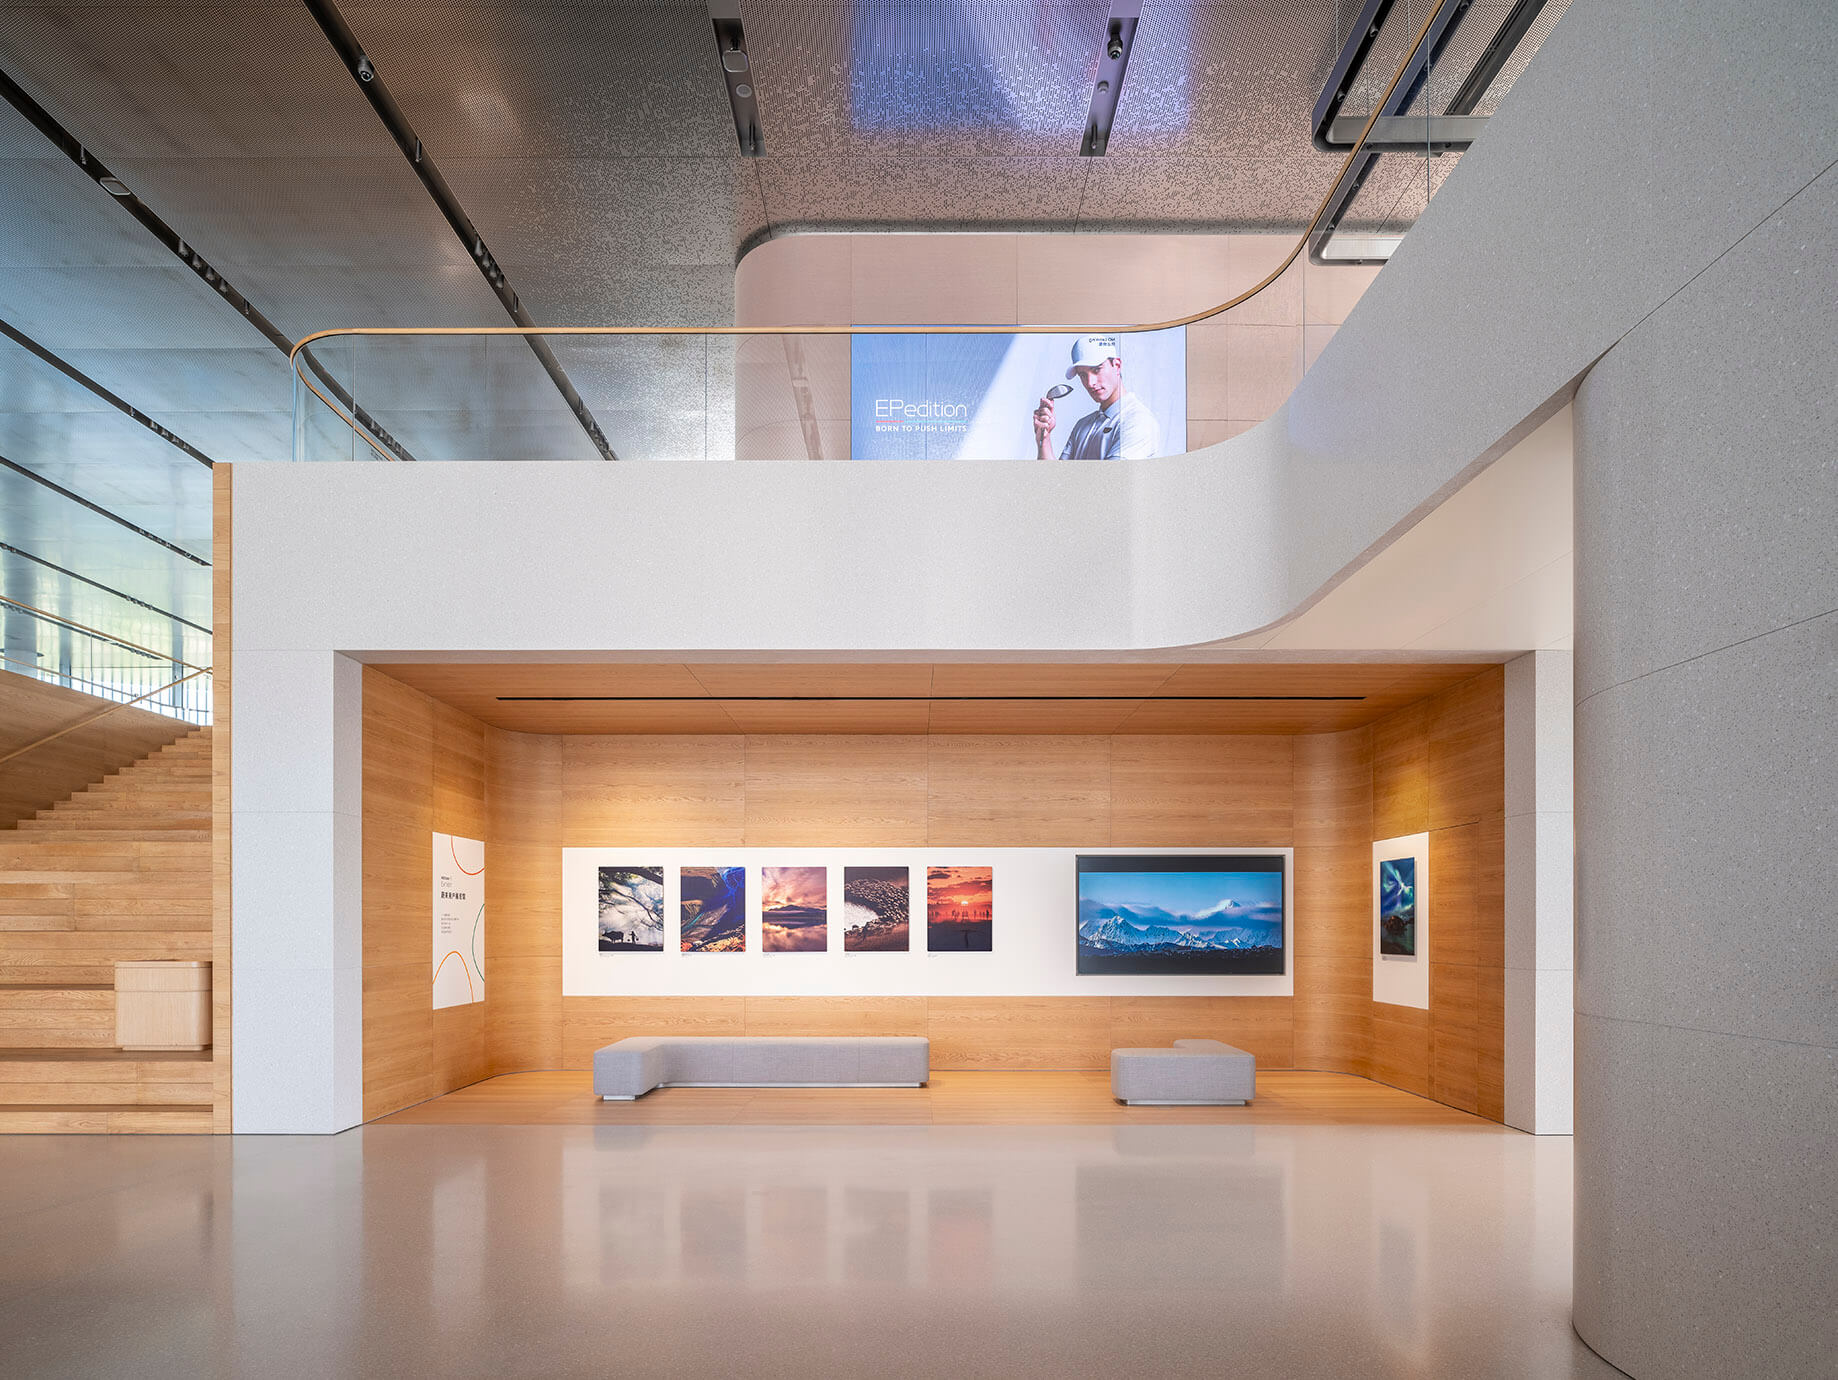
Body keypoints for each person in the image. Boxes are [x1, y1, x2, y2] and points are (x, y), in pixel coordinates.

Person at [1033, 334, 1163, 460]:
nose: (1090, 383)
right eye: (1083, 375)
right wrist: (1044, 439)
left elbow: (1111, 475)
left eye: (1096, 370)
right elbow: (1056, 474)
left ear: (1117, 366)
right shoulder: (1082, 425)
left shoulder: (1138, 421)